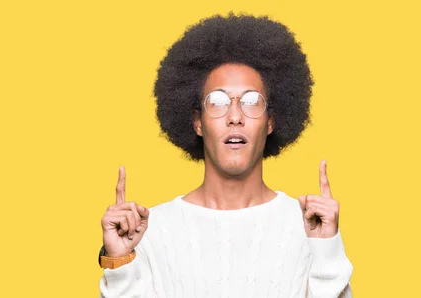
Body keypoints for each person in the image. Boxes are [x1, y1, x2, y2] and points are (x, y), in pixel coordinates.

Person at [98, 13, 353, 298]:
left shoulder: (310, 230)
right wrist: (119, 263)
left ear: (270, 121)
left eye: (251, 101)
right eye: (217, 101)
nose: (235, 116)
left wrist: (326, 252)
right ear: (197, 121)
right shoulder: (148, 232)